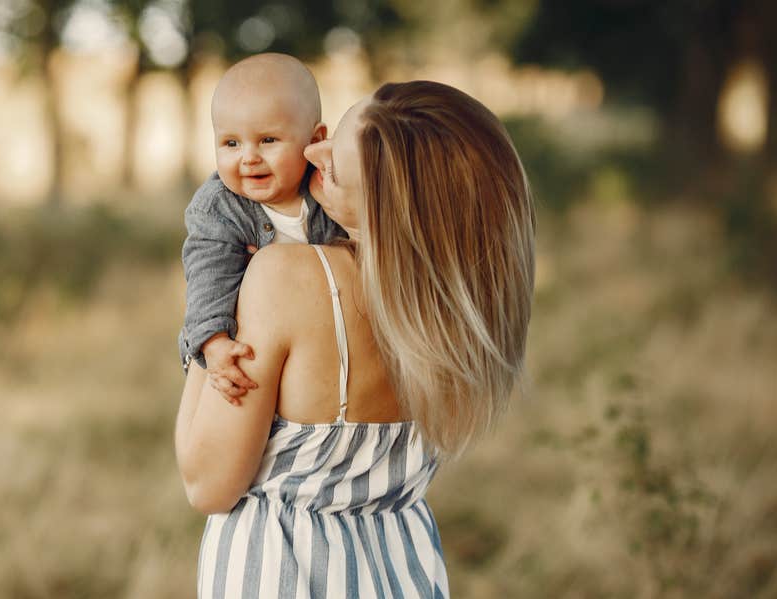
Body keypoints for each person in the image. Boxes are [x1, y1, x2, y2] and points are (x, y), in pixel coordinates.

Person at [175, 80, 535, 598]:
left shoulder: (284, 278)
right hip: (405, 570)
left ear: (387, 206)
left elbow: (206, 483)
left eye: (332, 165)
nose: (310, 151)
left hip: (280, 575)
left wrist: (213, 321)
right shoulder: (460, 317)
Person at [178, 53, 347, 402]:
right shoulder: (220, 208)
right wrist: (214, 342)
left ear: (315, 140)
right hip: (246, 347)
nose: (249, 157)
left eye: (268, 140)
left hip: (319, 342)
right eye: (231, 143)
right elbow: (209, 273)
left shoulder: (332, 187)